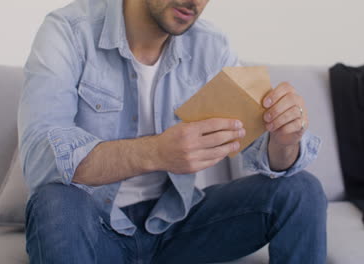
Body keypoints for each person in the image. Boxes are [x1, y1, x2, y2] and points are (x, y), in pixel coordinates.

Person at [19, 0, 327, 263]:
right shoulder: (69, 30)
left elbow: (263, 148)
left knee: (301, 190)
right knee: (56, 202)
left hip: (176, 225)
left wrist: (284, 140)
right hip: (93, 226)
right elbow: (38, 158)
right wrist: (155, 152)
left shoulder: (210, 46)